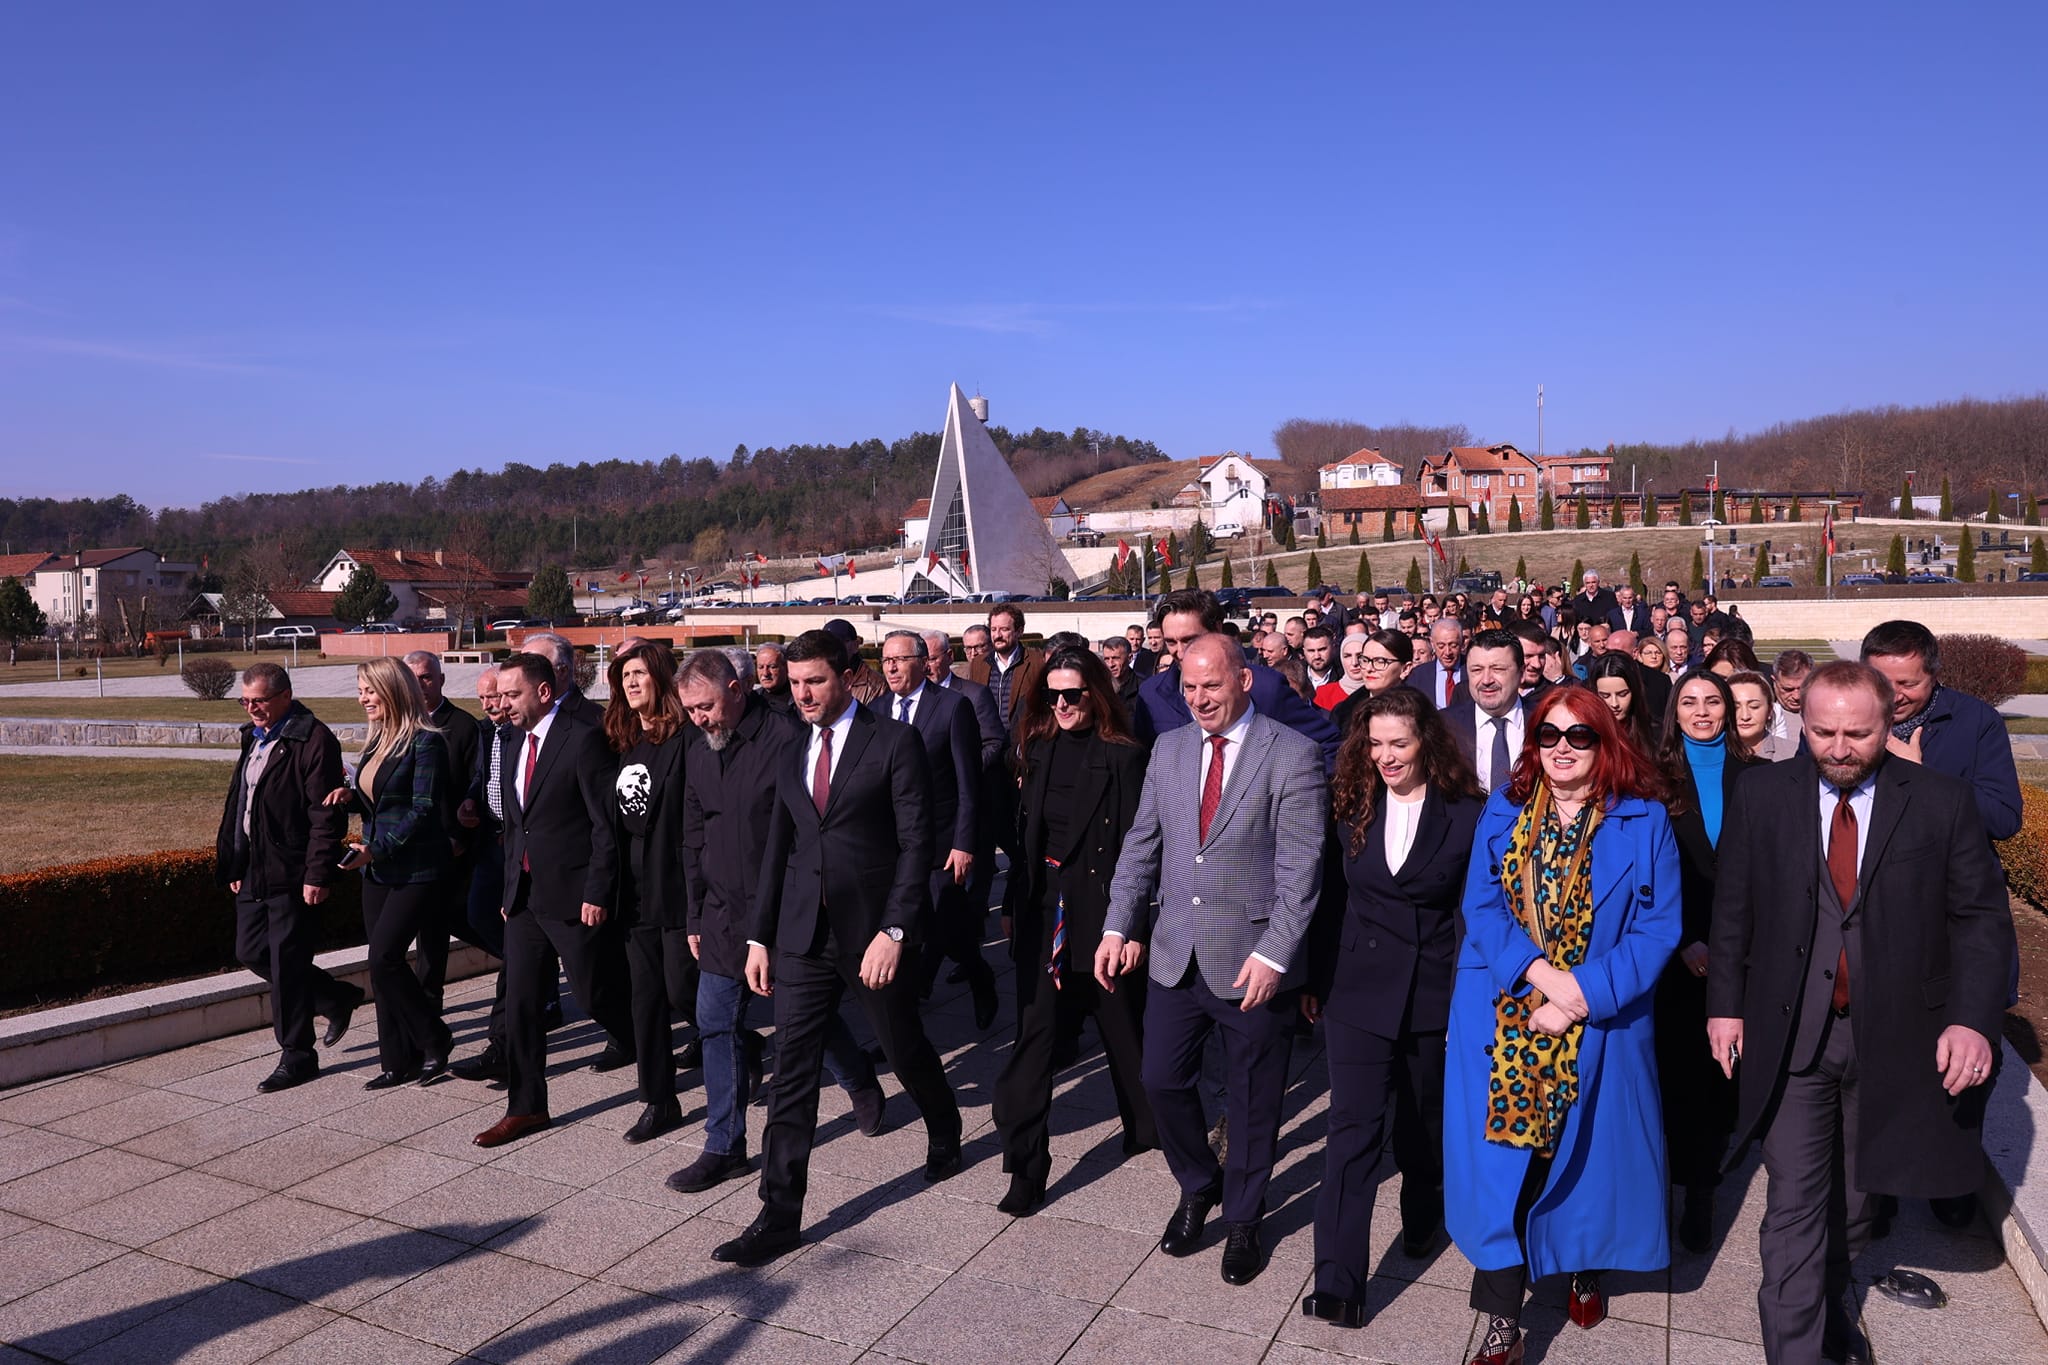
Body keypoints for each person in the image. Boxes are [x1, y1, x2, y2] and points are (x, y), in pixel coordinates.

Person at [1707, 662, 2010, 1365]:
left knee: (1857, 1203)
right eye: (1822, 732)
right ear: (1801, 721)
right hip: (1792, 1035)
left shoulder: (1941, 801)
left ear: (1890, 724)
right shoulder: (1762, 793)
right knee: (1793, 1207)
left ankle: (1834, 1299)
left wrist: (1969, 1017)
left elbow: (1980, 921)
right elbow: (1733, 912)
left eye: (1858, 733)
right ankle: (1796, 1350)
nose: (1839, 747)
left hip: (1898, 1039)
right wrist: (1724, 1007)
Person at [1445, 687, 1679, 1364]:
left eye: (1580, 736)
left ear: (1606, 742)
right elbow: (1482, 906)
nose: (1563, 749)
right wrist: (1543, 978)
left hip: (1600, 1020)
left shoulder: (1644, 819)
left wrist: (1581, 994)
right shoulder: (1507, 805)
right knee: (1507, 1173)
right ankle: (1501, 1320)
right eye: (1550, 735)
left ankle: (1585, 1264)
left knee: (1581, 1163)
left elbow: (1659, 927)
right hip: (1509, 1010)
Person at [715, 630, 963, 1266]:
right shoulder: (791, 743)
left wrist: (897, 930)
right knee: (793, 1072)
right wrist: (759, 936)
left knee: (903, 1044)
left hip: (873, 933)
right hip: (802, 937)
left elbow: (917, 844)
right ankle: (778, 1215)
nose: (802, 695)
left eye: (815, 682)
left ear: (848, 676)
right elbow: (780, 847)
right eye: (795, 684)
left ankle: (944, 1126)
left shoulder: (893, 742)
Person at [1098, 634, 1327, 1287]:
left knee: (1255, 1101)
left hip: (1254, 961)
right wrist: (1120, 923)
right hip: (1176, 954)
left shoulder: (1293, 755)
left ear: (1245, 680)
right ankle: (1199, 1181)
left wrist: (1277, 953)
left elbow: (1301, 874)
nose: (1199, 699)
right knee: (1161, 1079)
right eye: (1190, 687)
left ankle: (1247, 1218)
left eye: (1213, 686)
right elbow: (1142, 847)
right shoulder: (1168, 750)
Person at [668, 647, 885, 1193]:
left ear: (736, 691)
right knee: (716, 1022)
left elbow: (806, 835)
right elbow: (693, 834)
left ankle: (857, 1076)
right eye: (690, 709)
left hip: (783, 909)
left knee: (798, 1020)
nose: (699, 719)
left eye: (706, 706)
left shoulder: (787, 740)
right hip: (720, 913)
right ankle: (724, 1145)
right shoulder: (698, 750)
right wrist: (694, 912)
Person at [1300, 689, 1485, 1330]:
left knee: (1420, 1127)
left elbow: (1473, 915)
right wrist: (1312, 980)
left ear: (1425, 743)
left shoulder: (1469, 813)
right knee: (1351, 1133)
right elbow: (1324, 901)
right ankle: (1339, 1282)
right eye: (1373, 744)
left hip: (1433, 991)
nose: (1385, 756)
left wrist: (1472, 996)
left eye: (1398, 743)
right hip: (1357, 988)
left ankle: (1422, 1207)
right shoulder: (1349, 802)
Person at [992, 646, 1157, 1214]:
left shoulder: (1125, 757)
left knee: (1127, 1040)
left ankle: (1149, 1127)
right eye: (1052, 695)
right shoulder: (1035, 747)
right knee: (1032, 1046)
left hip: (1103, 914)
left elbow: (1143, 847)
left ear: (1096, 694)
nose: (1061, 705)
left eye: (1073, 694)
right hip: (1046, 916)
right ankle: (1027, 1169)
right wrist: (1015, 902)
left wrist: (1132, 928)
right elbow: (1024, 842)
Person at [472, 652, 637, 1148]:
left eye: (511, 694)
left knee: (595, 995)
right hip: (524, 901)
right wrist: (508, 891)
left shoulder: (582, 739)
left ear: (543, 692)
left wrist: (597, 891)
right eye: (498, 695)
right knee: (521, 1004)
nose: (501, 705)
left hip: (574, 896)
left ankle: (640, 1041)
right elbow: (516, 826)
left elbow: (605, 827)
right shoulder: (512, 740)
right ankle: (527, 1107)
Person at [215, 662, 363, 1092]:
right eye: (244, 701)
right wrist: (236, 863)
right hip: (254, 870)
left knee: (287, 962)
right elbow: (241, 805)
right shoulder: (253, 737)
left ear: (285, 695)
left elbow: (325, 815)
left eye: (258, 700)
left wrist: (317, 873)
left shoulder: (312, 738)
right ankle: (333, 997)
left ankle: (297, 1054)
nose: (251, 708)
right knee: (250, 951)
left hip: (293, 872)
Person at [1653, 670, 1759, 1253]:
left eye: (1712, 702)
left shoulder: (1763, 779)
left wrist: (1733, 945)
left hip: (1739, 956)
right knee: (1674, 1077)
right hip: (1673, 955)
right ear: (1674, 712)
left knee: (1721, 1082)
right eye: (1689, 702)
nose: (1701, 712)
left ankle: (1703, 1193)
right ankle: (1665, 1187)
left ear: (1730, 710)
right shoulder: (1653, 779)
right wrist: (1684, 939)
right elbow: (1647, 875)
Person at [333, 658, 456, 1089]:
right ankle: (395, 1061)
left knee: (383, 958)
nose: (363, 698)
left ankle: (435, 1038)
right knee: (382, 968)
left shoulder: (426, 742)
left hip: (417, 869)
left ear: (392, 690)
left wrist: (376, 850)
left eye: (370, 690)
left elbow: (423, 811)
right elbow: (379, 802)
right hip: (378, 868)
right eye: (361, 690)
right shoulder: (377, 739)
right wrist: (348, 797)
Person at [871, 630, 998, 1028]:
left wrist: (964, 843)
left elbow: (967, 782)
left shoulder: (952, 707)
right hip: (894, 842)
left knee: (946, 925)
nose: (890, 667)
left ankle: (979, 975)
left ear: (922, 662)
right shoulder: (876, 709)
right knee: (905, 929)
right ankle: (904, 1017)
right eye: (885, 660)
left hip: (942, 839)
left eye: (899, 659)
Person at [602, 641, 699, 1144]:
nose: (631, 683)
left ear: (661, 678)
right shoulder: (624, 741)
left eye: (639, 673)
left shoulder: (685, 740)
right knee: (645, 1001)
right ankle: (659, 1100)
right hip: (634, 894)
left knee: (684, 990)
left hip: (676, 886)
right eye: (624, 676)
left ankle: (735, 1043)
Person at [1132, 589, 1340, 773]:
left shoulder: (1266, 688)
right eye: (1171, 642)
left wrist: (1301, 799)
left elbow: (1329, 745)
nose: (1180, 651)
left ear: (1217, 628)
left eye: (1190, 640)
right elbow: (1143, 771)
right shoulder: (1151, 696)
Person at [400, 650, 483, 1014]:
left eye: (427, 677)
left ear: (441, 680)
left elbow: (475, 789)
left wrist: (459, 840)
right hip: (405, 849)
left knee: (439, 929)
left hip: (449, 851)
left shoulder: (464, 727)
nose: (420, 685)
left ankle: (430, 1007)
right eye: (413, 678)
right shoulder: (398, 726)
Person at [1441, 629, 1532, 795]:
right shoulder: (1444, 725)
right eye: (1476, 670)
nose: (1486, 680)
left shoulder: (1544, 721)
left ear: (1522, 673)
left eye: (1498, 669)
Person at [1327, 630, 1416, 743]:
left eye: (1380, 661)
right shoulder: (1343, 712)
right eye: (1365, 660)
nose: (1369, 668)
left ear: (1405, 669)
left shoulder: (1418, 713)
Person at [968, 603, 1044, 728]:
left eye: (1004, 629)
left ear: (1019, 631)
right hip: (987, 742)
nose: (997, 635)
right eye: (993, 629)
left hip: (1021, 741)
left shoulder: (1036, 663)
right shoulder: (978, 664)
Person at [1585, 651, 1659, 756]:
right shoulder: (1586, 734)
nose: (1614, 704)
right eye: (1605, 696)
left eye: (1622, 694)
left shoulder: (1655, 734)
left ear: (1634, 691)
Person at [1727, 669, 1796, 763]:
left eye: (1754, 707)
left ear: (1770, 710)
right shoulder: (1712, 754)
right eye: (1735, 708)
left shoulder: (1793, 754)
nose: (1745, 716)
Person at [820, 619, 886, 704]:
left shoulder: (876, 686)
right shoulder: (813, 678)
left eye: (838, 643)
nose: (830, 649)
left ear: (855, 646)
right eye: (825, 644)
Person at [1764, 647, 1813, 759]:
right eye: (1787, 689)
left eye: (1802, 688)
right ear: (1774, 681)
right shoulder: (1762, 713)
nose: (1796, 696)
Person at [1407, 619, 1464, 710]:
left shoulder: (1472, 670)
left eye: (1453, 645)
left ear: (1462, 643)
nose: (1447, 652)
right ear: (1432, 643)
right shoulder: (1418, 675)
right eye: (1441, 646)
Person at [753, 642, 793, 713]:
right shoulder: (753, 698)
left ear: (785, 667)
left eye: (772, 667)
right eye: (761, 667)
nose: (765, 673)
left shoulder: (798, 698)